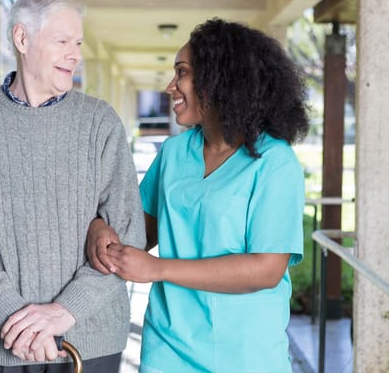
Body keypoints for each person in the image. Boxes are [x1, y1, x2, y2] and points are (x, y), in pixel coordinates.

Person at [0, 0, 145, 373]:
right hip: (0, 339)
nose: (75, 54)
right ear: (22, 38)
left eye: (78, 43)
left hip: (90, 338)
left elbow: (128, 234)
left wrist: (65, 312)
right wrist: (18, 318)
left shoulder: (100, 122)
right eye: (63, 40)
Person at [87, 18, 310, 372]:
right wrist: (99, 228)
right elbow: (138, 233)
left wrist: (158, 269)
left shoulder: (275, 162)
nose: (170, 86)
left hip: (247, 354)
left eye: (182, 73)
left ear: (221, 79)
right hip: (168, 348)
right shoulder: (174, 154)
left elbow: (266, 269)